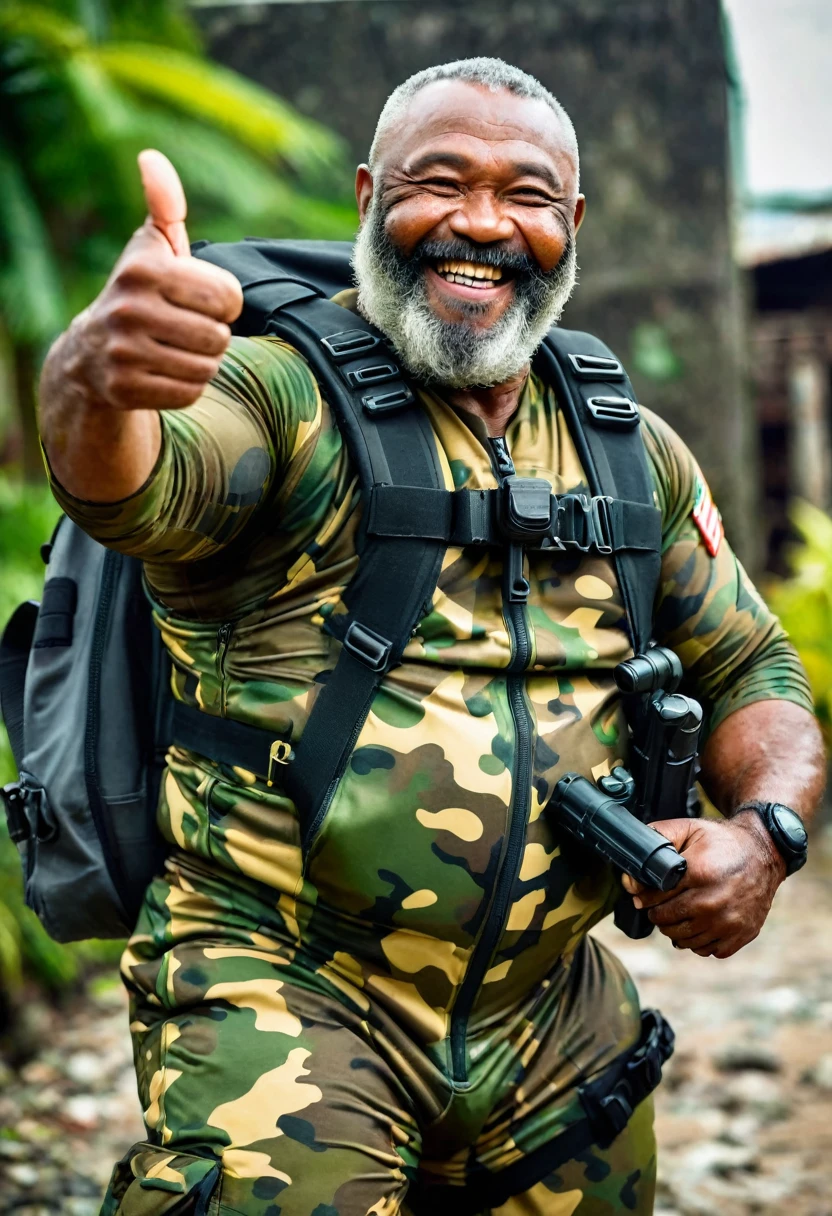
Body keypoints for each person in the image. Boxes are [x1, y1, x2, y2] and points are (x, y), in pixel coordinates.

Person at [38, 58, 823, 1216]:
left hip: (552, 1017)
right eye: (438, 182)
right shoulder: (277, 399)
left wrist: (765, 832)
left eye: (526, 196)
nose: (480, 223)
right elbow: (136, 487)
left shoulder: (626, 446)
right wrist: (92, 382)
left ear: (572, 223)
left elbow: (752, 664)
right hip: (289, 985)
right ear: (366, 197)